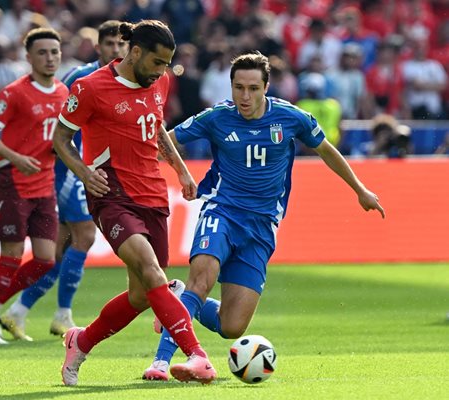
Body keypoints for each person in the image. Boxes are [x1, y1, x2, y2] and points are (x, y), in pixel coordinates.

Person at [142, 51, 385, 381]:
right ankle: (161, 363)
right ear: (230, 87)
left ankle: (178, 300)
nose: (245, 96)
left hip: (262, 225)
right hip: (222, 210)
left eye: (253, 88)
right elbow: (163, 140)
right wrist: (183, 173)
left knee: (231, 326)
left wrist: (360, 189)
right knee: (203, 279)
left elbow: (326, 149)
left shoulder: (290, 118)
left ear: (266, 87)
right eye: (238, 87)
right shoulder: (216, 117)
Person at [52, 19, 216, 385]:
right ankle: (197, 355)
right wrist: (82, 172)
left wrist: (181, 171)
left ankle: (81, 340)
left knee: (142, 295)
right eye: (157, 63)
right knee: (153, 271)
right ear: (135, 52)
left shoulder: (160, 80)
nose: (162, 72)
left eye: (167, 64)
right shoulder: (90, 88)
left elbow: (155, 127)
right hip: (111, 194)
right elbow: (60, 137)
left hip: (153, 194)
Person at [0, 20, 128, 341]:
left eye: (121, 44)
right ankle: (60, 314)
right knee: (84, 236)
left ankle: (18, 309)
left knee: (63, 249)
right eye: (110, 44)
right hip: (69, 168)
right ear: (98, 47)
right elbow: (57, 124)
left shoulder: (128, 80)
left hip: (95, 170)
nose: (116, 50)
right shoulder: (81, 77)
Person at [0, 27, 68, 345]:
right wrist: (16, 156)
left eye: (54, 52)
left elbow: (58, 137)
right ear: (28, 58)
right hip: (13, 179)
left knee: (45, 259)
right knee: (12, 254)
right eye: (42, 52)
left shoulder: (63, 93)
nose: (50, 58)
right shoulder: (15, 92)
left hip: (45, 183)